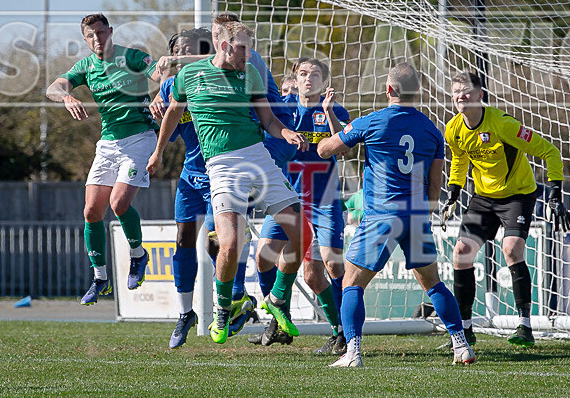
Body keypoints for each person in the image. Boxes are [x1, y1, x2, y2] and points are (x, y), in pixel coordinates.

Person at [147, 21, 308, 345]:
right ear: (224, 46)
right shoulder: (189, 76)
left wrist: (286, 132)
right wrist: (158, 151)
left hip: (259, 159)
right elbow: (173, 113)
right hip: (221, 167)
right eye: (243, 47)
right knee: (229, 244)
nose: (249, 54)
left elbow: (267, 119)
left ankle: (277, 299)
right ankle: (223, 308)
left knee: (302, 232)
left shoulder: (250, 75)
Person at [317, 63, 475, 368]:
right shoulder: (432, 130)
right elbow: (435, 184)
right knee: (433, 283)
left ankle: (353, 353)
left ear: (389, 90)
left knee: (351, 283)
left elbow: (327, 150)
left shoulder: (372, 121)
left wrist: (327, 127)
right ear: (418, 91)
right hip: (415, 216)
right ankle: (461, 345)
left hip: (381, 216)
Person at [439, 72, 570, 348]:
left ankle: (525, 326)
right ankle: (465, 330)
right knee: (461, 253)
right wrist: (454, 192)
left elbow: (550, 151)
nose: (460, 96)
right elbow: (459, 159)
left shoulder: (503, 124)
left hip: (517, 196)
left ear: (480, 95)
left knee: (511, 249)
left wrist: (555, 193)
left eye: (466, 91)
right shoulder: (453, 128)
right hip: (484, 198)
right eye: (456, 92)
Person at [149, 28, 253, 348]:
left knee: (216, 241)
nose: (180, 56)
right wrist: (158, 107)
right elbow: (168, 126)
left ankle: (237, 298)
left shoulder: (221, 81)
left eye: (187, 50)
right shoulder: (172, 87)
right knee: (183, 239)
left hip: (222, 174)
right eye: (177, 51)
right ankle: (185, 313)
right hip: (190, 174)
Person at [45, 13, 158, 305]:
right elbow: (52, 88)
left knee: (119, 203)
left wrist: (163, 85)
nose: (97, 38)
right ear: (85, 39)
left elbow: (159, 73)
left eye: (100, 32)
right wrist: (66, 97)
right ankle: (100, 278)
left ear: (110, 31)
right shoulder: (86, 66)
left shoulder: (131, 57)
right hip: (108, 143)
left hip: (140, 137)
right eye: (90, 35)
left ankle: (138, 255)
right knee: (91, 212)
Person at [255, 57, 350, 355]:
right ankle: (278, 317)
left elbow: (343, 149)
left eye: (316, 74)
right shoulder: (281, 109)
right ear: (295, 79)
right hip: (287, 199)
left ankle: (343, 332)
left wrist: (328, 113)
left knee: (326, 268)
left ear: (325, 81)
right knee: (264, 257)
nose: (309, 79)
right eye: (304, 74)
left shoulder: (334, 110)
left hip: (324, 201)